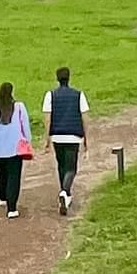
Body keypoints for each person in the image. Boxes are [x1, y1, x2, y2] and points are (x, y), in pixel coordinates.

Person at [0, 81, 33, 217]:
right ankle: (12, 207)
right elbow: (25, 126)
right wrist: (28, 141)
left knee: (3, 170)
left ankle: (2, 197)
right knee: (14, 174)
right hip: (15, 146)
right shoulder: (18, 107)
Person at [45, 65, 87, 215]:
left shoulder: (50, 95)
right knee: (71, 167)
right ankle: (65, 191)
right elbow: (84, 118)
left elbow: (48, 118)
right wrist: (86, 138)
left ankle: (66, 194)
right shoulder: (78, 95)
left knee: (61, 165)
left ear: (57, 79)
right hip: (73, 135)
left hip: (57, 135)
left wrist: (47, 138)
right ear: (69, 78)